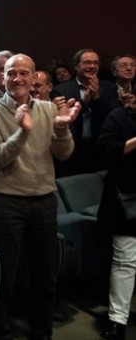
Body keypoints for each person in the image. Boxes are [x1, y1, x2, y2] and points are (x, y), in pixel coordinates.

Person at [0, 54, 80, 340]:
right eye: (11, 73)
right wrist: (22, 132)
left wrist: (61, 131)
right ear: (2, 77)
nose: (17, 79)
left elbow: (64, 153)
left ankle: (41, 332)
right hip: (6, 202)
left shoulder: (48, 109)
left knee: (45, 277)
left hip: (45, 200)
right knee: (5, 277)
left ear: (34, 78)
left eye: (24, 73)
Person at [98, 97, 136, 340]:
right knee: (125, 260)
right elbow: (106, 150)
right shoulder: (119, 116)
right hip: (127, 198)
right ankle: (117, 320)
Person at [54, 48, 118, 176]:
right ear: (76, 66)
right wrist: (83, 102)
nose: (92, 66)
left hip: (100, 147)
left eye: (95, 63)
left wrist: (96, 98)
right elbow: (64, 119)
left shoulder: (109, 87)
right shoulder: (61, 89)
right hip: (74, 148)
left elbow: (111, 116)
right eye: (87, 62)